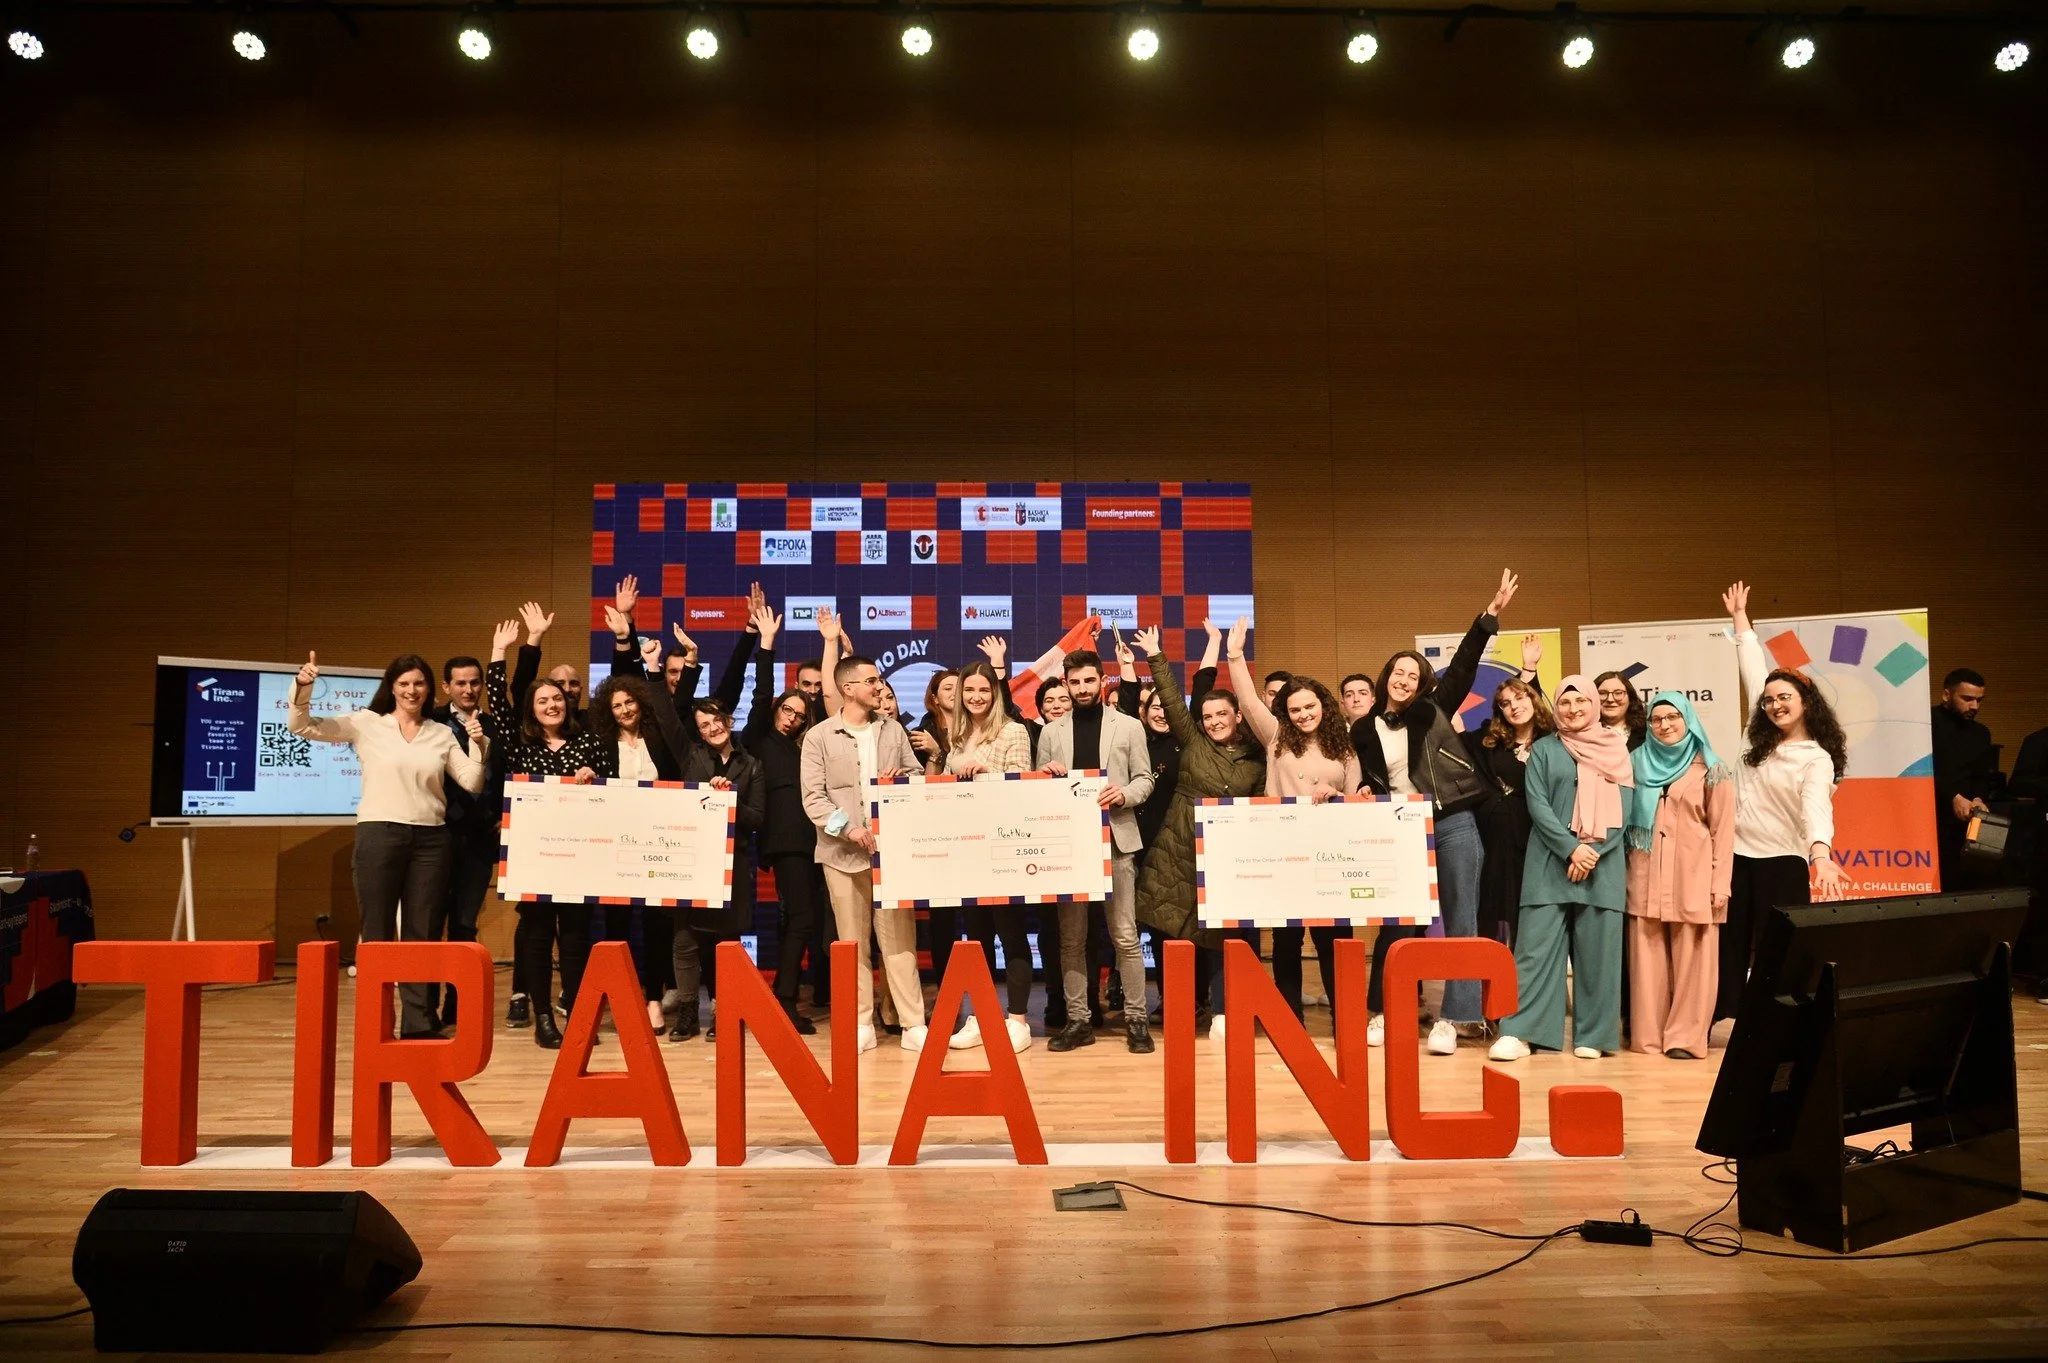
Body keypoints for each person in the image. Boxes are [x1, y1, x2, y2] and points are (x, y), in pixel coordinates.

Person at [1352, 569, 1521, 1055]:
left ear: (1422, 683)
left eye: (1413, 675)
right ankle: (1390, 1010)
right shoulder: (1364, 728)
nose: (1404, 680)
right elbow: (1367, 775)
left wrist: (1489, 616)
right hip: (1400, 829)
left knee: (1461, 917)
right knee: (1399, 924)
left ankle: (1456, 1017)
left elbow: (1465, 665)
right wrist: (1364, 788)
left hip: (1451, 822)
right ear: (1386, 678)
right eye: (1397, 673)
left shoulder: (1432, 710)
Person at [287, 650, 489, 1040]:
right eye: (403, 684)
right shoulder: (367, 724)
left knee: (423, 934)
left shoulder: (441, 733)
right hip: (380, 835)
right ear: (391, 688)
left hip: (431, 839)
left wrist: (479, 745)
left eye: (418, 683)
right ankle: (374, 1024)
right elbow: (302, 726)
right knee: (377, 932)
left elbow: (473, 782)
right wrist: (303, 685)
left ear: (429, 689)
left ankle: (419, 1023)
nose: (411, 690)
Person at [1715, 581, 1852, 1025]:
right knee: (1729, 941)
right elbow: (1753, 669)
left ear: (1805, 704)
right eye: (1770, 700)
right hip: (1734, 857)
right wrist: (1741, 620)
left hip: (1783, 860)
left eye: (1784, 698)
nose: (1774, 704)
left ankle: (1775, 1023)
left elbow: (1817, 808)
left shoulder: (1816, 757)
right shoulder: (1755, 738)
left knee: (1778, 946)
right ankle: (1727, 1018)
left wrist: (1821, 855)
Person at [1488, 675, 1633, 1061]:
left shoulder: (1616, 749)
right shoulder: (1545, 750)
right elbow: (1537, 805)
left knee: (1599, 954)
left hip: (1603, 862)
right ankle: (1521, 1032)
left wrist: (1591, 853)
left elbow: (1626, 810)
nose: (1572, 709)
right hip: (1549, 862)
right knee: (1534, 952)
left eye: (1581, 702)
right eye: (1565, 703)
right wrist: (1572, 849)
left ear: (1594, 704)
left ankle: (1595, 1036)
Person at [1131, 625, 1267, 1037]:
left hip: (1225, 860)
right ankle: (1181, 1009)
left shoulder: (1258, 759)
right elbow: (1172, 700)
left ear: (1238, 716)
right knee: (1175, 938)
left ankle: (1222, 1012)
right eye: (1207, 716)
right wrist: (1156, 655)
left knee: (1220, 941)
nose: (1213, 722)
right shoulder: (1192, 742)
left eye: (1221, 714)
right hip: (1176, 852)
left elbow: (1262, 809)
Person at [1226, 621, 1360, 1021]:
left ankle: (1346, 1017)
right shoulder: (1277, 738)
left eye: (1309, 706)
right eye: (1294, 709)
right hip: (1284, 852)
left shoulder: (1346, 746)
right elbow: (1249, 703)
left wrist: (1339, 797)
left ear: (1324, 704)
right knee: (1285, 939)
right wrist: (1235, 656)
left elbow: (1355, 798)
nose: (1302, 714)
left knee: (1334, 939)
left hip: (1331, 855)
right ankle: (1288, 1022)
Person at [491, 650, 617, 1048]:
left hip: (580, 855)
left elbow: (613, 795)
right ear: (532, 708)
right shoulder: (518, 744)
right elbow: (496, 698)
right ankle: (543, 1018)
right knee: (538, 936)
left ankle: (579, 1016)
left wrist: (594, 780)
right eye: (543, 700)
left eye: (557, 699)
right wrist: (501, 653)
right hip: (534, 857)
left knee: (578, 938)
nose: (552, 705)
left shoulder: (591, 742)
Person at [800, 653, 925, 1052]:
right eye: (871, 681)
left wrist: (901, 781)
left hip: (891, 857)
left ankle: (912, 1024)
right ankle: (859, 1024)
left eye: (878, 681)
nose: (878, 687)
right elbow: (813, 799)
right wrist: (849, 829)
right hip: (840, 854)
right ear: (849, 688)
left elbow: (918, 775)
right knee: (852, 942)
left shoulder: (893, 731)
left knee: (900, 941)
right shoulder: (819, 736)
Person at [1036, 646, 1158, 1053]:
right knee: (1071, 939)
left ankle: (1137, 1021)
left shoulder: (1128, 726)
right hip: (1069, 846)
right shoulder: (1051, 732)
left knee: (1125, 936)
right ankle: (1078, 1021)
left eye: (1090, 680)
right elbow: (1040, 794)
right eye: (1075, 682)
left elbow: (1145, 779)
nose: (1083, 688)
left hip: (1116, 842)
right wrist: (1046, 778)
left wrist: (1122, 795)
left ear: (1101, 680)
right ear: (1066, 685)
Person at [433, 618, 536, 1031]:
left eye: (475, 682)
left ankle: (456, 1006)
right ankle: (425, 1006)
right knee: (429, 923)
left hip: (480, 839)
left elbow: (510, 777)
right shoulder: (431, 722)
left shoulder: (497, 725)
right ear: (446, 687)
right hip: (435, 836)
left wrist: (504, 818)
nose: (469, 689)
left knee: (463, 922)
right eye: (460, 683)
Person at [588, 638, 694, 1033]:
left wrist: (650, 668)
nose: (625, 710)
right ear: (608, 711)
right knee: (616, 925)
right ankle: (619, 997)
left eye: (629, 702)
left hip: (658, 844)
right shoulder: (601, 743)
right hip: (615, 845)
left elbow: (676, 708)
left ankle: (653, 997)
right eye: (616, 706)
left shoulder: (659, 736)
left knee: (655, 925)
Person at [1624, 693, 1735, 1060]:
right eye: (1657, 719)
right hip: (1644, 875)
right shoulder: (1634, 764)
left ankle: (1685, 1039)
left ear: (1688, 721)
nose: (1665, 725)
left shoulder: (1711, 768)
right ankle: (1649, 1036)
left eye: (1673, 717)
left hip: (1694, 876)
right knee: (1647, 961)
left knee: (1694, 962)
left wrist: (1721, 884)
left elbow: (1723, 831)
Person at [936, 660, 1037, 1054]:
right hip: (968, 851)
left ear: (995, 694)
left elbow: (1022, 785)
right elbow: (947, 786)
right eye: (969, 690)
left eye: (984, 690)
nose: (976, 697)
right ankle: (981, 1016)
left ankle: (1017, 1022)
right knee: (976, 938)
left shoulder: (1013, 731)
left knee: (1011, 933)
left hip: (1004, 849)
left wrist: (986, 775)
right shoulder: (957, 735)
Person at [738, 601, 826, 1034]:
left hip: (818, 840)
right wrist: (767, 644)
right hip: (787, 841)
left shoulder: (806, 745)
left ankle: (786, 998)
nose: (792, 718)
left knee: (804, 920)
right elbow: (758, 697)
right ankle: (784, 1001)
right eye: (786, 710)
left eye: (799, 713)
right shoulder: (759, 737)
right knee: (803, 919)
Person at [673, 698, 766, 1042]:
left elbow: (756, 818)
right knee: (685, 940)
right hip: (692, 859)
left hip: (735, 864)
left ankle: (724, 1010)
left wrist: (730, 800)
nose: (713, 729)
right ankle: (686, 1011)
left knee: (727, 943)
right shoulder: (691, 757)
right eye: (704, 725)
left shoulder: (753, 764)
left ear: (728, 719)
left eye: (717, 721)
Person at [1465, 676, 1554, 949]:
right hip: (1495, 841)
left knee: (1531, 913)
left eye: (1520, 698)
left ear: (1533, 698)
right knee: (1492, 911)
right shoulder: (1491, 742)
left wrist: (1529, 671)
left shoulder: (1554, 742)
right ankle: (1493, 982)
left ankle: (1533, 985)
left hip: (1537, 840)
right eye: (1505, 703)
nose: (1514, 706)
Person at [1931, 667, 1997, 889]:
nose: (1974, 706)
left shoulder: (1981, 733)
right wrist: (1953, 796)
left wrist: (1979, 798)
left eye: (1979, 700)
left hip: (1968, 821)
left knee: (1971, 884)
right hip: (1932, 818)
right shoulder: (1926, 724)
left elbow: (1982, 774)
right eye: (1967, 699)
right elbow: (1922, 771)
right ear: (1946, 695)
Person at [1593, 672, 1648, 751]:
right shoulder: (1584, 734)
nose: (1610, 699)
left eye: (1618, 693)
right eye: (1602, 693)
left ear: (1630, 698)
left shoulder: (1647, 733)